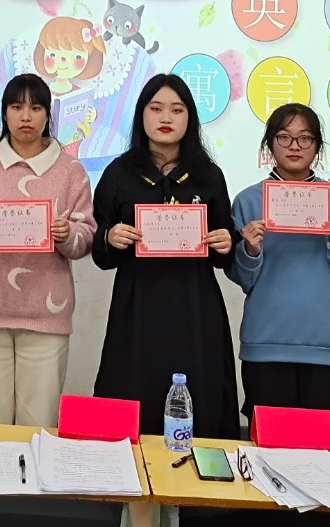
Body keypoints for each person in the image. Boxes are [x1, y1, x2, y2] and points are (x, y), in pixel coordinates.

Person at [91, 73, 239, 439]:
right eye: (156, 109)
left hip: (195, 307)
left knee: (199, 398)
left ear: (190, 118)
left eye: (177, 109)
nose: (166, 117)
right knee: (133, 392)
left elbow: (224, 251)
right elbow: (99, 251)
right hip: (138, 307)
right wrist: (110, 236)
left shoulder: (208, 176)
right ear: (141, 114)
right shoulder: (119, 173)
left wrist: (227, 241)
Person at [0, 73, 96, 428]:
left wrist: (67, 234)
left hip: (46, 313)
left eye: (36, 108)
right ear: (4, 113)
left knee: (38, 424)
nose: (26, 116)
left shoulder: (71, 169)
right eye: (16, 107)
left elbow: (86, 234)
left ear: (48, 114)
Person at [229, 102, 330, 437]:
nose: (294, 146)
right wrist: (250, 250)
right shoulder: (248, 201)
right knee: (266, 447)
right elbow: (241, 277)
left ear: (317, 145)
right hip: (266, 345)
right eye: (284, 137)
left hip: (327, 346)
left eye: (305, 138)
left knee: (321, 449)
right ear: (270, 144)